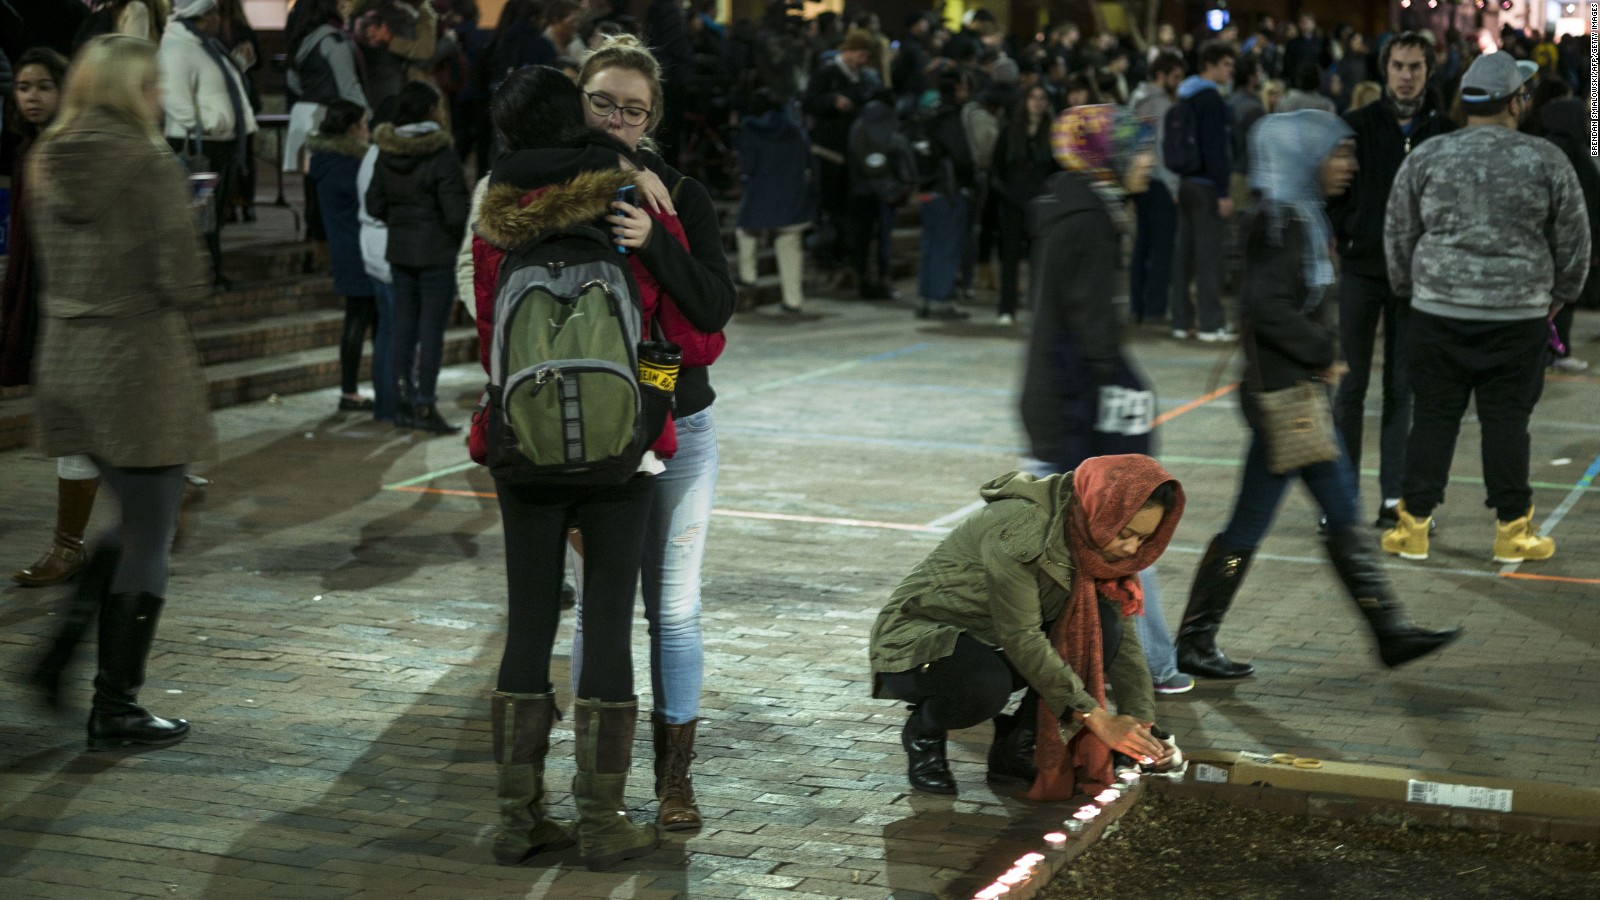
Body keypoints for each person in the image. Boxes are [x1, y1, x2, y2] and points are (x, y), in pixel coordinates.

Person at [470, 63, 690, 871]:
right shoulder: (626, 196)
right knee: (607, 623)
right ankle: (602, 821)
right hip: (614, 451)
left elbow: (488, 316)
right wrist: (652, 408)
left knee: (528, 619)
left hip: (520, 445)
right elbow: (665, 322)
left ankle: (516, 819)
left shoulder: (493, 212)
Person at [1176, 111, 1463, 681]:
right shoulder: (1279, 223)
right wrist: (1322, 353)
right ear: (1307, 157)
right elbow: (1266, 308)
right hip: (1288, 400)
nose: (1349, 165)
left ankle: (1198, 638)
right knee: (1337, 510)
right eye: (1338, 154)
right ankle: (1389, 631)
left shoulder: (1298, 216)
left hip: (1289, 399)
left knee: (1255, 522)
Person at [26, 34, 212, 749]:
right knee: (151, 532)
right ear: (130, 91)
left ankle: (57, 660)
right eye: (152, 85)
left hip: (70, 359)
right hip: (136, 366)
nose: (160, 97)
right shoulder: (148, 162)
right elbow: (185, 282)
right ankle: (116, 704)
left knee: (135, 519)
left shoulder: (47, 157)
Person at [570, 33, 737, 834]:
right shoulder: (550, 188)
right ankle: (596, 778)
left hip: (679, 420)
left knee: (673, 610)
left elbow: (713, 306)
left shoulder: (680, 196)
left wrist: (656, 242)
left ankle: (676, 782)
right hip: (584, 429)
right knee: (599, 604)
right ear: (579, 101)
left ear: (652, 118)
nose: (615, 119)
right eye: (602, 101)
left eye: (632, 110)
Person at [870, 455, 1184, 799]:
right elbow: (1021, 636)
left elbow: (1124, 643)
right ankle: (924, 730)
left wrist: (1141, 727)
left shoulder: (1094, 541)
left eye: (1143, 539)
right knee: (986, 684)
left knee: (1103, 627)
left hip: (994, 643)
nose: (1132, 549)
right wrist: (1098, 719)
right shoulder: (1021, 527)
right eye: (1126, 534)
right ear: (1102, 508)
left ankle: (1017, 749)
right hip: (921, 641)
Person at [1381, 52, 1591, 563]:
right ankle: (1511, 532)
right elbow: (1576, 242)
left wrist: (1418, 290)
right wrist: (1556, 298)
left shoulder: (1427, 156)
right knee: (1506, 423)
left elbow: (1397, 233)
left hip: (1436, 314)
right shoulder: (1545, 159)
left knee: (1432, 418)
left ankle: (1413, 527)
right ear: (1516, 102)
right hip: (1517, 319)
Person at [1023, 104, 1192, 697]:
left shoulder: (1070, 207)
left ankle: (1142, 664)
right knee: (1122, 540)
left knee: (1054, 547)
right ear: (1108, 154)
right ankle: (1151, 666)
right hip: (1076, 408)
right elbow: (1092, 329)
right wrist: (1130, 401)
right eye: (1141, 148)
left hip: (1056, 401)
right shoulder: (1090, 219)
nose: (1149, 161)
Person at [1328, 32, 1453, 530]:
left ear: (1428, 72)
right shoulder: (1354, 127)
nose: (1406, 75)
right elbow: (1332, 191)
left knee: (1402, 389)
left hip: (1415, 280)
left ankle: (1393, 499)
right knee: (1350, 386)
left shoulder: (1443, 132)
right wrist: (1347, 232)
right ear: (1385, 70)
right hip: (1361, 271)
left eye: (1415, 67)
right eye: (1399, 66)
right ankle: (1341, 499)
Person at [3, 48, 95, 588]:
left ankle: (71, 547)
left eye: (44, 85)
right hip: (45, 297)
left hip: (79, 304)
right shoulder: (30, 149)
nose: (32, 96)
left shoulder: (72, 150)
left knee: (79, 423)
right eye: (23, 86)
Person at [366, 79, 469, 435]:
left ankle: (404, 403)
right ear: (429, 110)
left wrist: (403, 221)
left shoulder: (386, 150)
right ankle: (425, 404)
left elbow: (373, 203)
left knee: (403, 329)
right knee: (431, 332)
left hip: (400, 251)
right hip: (436, 253)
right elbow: (456, 212)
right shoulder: (440, 153)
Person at [159, 0, 258, 288]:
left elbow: (218, 85)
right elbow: (175, 99)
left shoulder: (204, 44)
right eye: (214, 12)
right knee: (196, 215)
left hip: (217, 143)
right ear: (201, 14)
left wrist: (240, 64)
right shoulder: (178, 46)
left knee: (211, 215)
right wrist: (211, 125)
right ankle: (196, 276)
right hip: (197, 146)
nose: (219, 18)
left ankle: (211, 271)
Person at [308, 98, 385, 414]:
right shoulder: (350, 165)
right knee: (363, 319)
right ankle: (353, 391)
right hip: (360, 250)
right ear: (353, 128)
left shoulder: (324, 161)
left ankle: (365, 388)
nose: (368, 131)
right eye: (365, 124)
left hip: (345, 248)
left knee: (366, 318)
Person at [1170, 41, 1236, 342]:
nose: (1230, 71)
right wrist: (1224, 191)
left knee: (1184, 256)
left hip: (1185, 183)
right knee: (1209, 258)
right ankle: (1211, 323)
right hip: (1208, 187)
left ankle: (1181, 321)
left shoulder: (1184, 95)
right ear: (1210, 64)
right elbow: (1216, 148)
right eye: (1225, 64)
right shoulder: (1211, 99)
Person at [1532, 97, 1599, 373]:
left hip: (1537, 242)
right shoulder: (1575, 153)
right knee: (1562, 301)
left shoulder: (1540, 149)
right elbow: (1590, 202)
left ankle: (1545, 352)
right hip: (1562, 244)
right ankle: (1560, 351)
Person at [801, 27, 876, 273]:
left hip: (850, 151)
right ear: (850, 51)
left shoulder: (862, 78)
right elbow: (809, 102)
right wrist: (832, 101)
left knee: (845, 205)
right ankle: (826, 252)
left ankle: (841, 252)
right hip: (828, 149)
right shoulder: (828, 73)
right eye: (861, 55)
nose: (863, 61)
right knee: (829, 203)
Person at [735, 88, 814, 314]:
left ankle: (748, 278)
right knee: (789, 243)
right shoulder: (795, 131)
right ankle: (793, 300)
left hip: (761, 195)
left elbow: (747, 167)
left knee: (745, 231)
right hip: (791, 196)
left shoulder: (750, 130)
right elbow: (808, 162)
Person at [990, 84, 1056, 326]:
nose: (1038, 102)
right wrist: (1005, 193)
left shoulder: (1053, 133)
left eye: (1042, 98)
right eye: (1033, 97)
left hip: (1041, 205)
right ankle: (1006, 308)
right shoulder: (1010, 131)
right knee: (1010, 259)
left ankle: (1037, 307)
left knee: (1040, 259)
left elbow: (1056, 170)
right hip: (1012, 204)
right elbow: (996, 168)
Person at [913, 69, 975, 321]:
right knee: (946, 247)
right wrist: (970, 179)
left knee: (930, 245)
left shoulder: (929, 114)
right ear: (958, 87)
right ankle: (941, 301)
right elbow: (960, 155)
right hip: (947, 189)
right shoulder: (949, 117)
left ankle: (925, 300)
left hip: (927, 188)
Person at [1127, 51, 1184, 327]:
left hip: (1139, 179)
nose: (1178, 82)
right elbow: (1165, 148)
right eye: (1174, 77)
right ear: (1161, 76)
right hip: (1160, 181)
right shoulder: (1163, 106)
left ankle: (1137, 304)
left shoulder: (1136, 100)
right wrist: (1174, 187)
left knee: (1142, 244)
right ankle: (1155, 308)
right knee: (1162, 248)